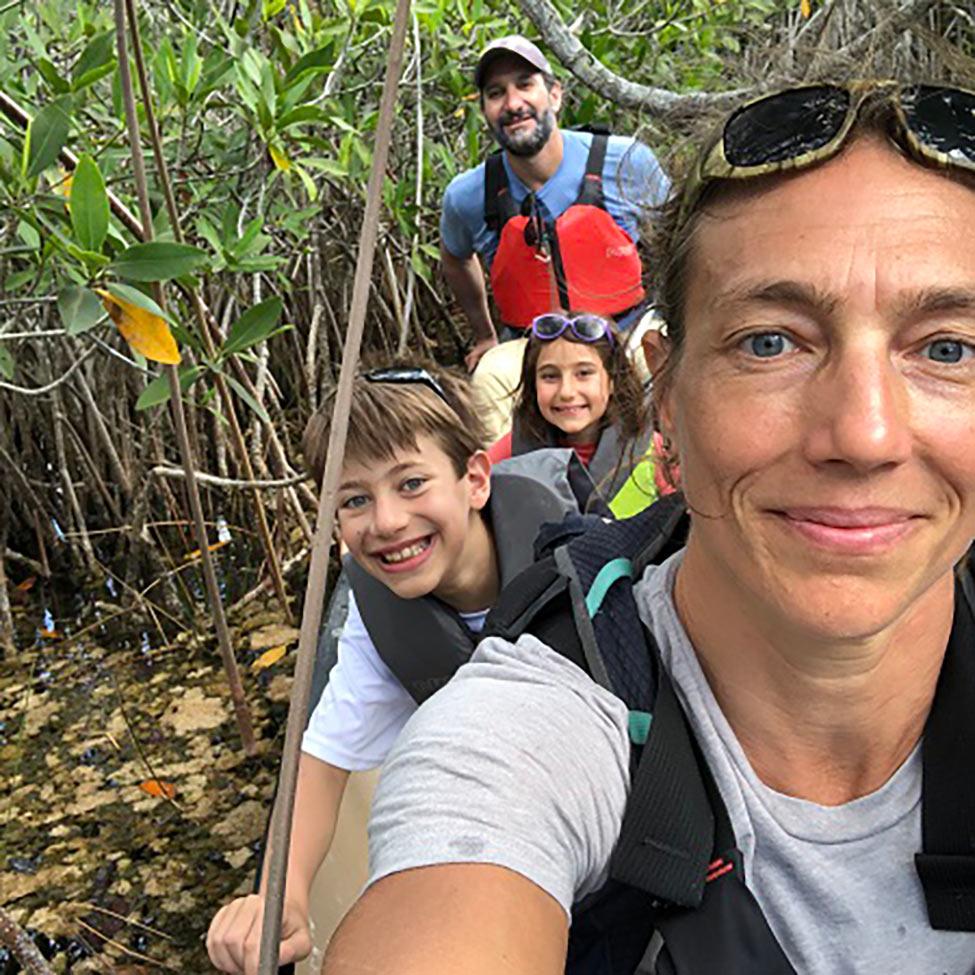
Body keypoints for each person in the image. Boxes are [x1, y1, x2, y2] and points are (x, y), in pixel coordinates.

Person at [320, 81, 975, 974]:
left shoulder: (611, 177)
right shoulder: (533, 722)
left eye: (948, 348)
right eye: (769, 342)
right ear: (666, 387)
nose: (863, 436)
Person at [205, 361, 575, 974]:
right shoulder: (375, 628)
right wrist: (282, 897)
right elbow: (320, 768)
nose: (387, 522)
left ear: (475, 479)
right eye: (354, 499)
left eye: (410, 484)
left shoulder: (578, 555)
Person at [441, 34, 669, 375]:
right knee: (490, 377)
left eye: (525, 85)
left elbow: (682, 235)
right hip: (530, 348)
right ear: (485, 112)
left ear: (555, 95)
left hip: (625, 333)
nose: (513, 103)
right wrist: (485, 335)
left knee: (666, 359)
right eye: (496, 93)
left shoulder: (627, 162)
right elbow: (455, 258)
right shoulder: (467, 196)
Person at [487, 312, 662, 517]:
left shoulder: (655, 451)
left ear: (613, 379)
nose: (567, 392)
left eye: (584, 373)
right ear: (533, 385)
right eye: (550, 376)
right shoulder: (509, 454)